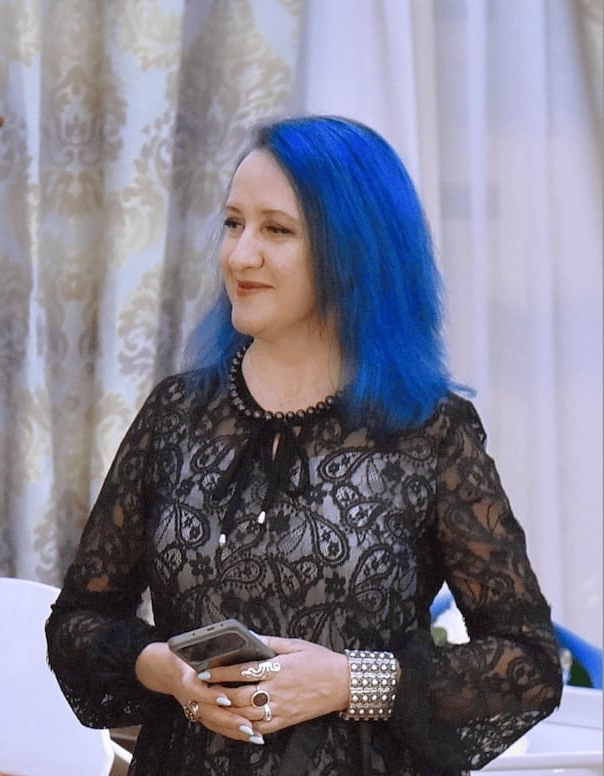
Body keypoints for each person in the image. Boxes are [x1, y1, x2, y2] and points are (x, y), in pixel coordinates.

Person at [45, 115, 563, 775]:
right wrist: (164, 668)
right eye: (233, 223)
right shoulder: (175, 414)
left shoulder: (431, 431)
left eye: (277, 230)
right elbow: (79, 623)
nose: (240, 256)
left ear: (354, 252)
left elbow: (529, 663)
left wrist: (350, 681)